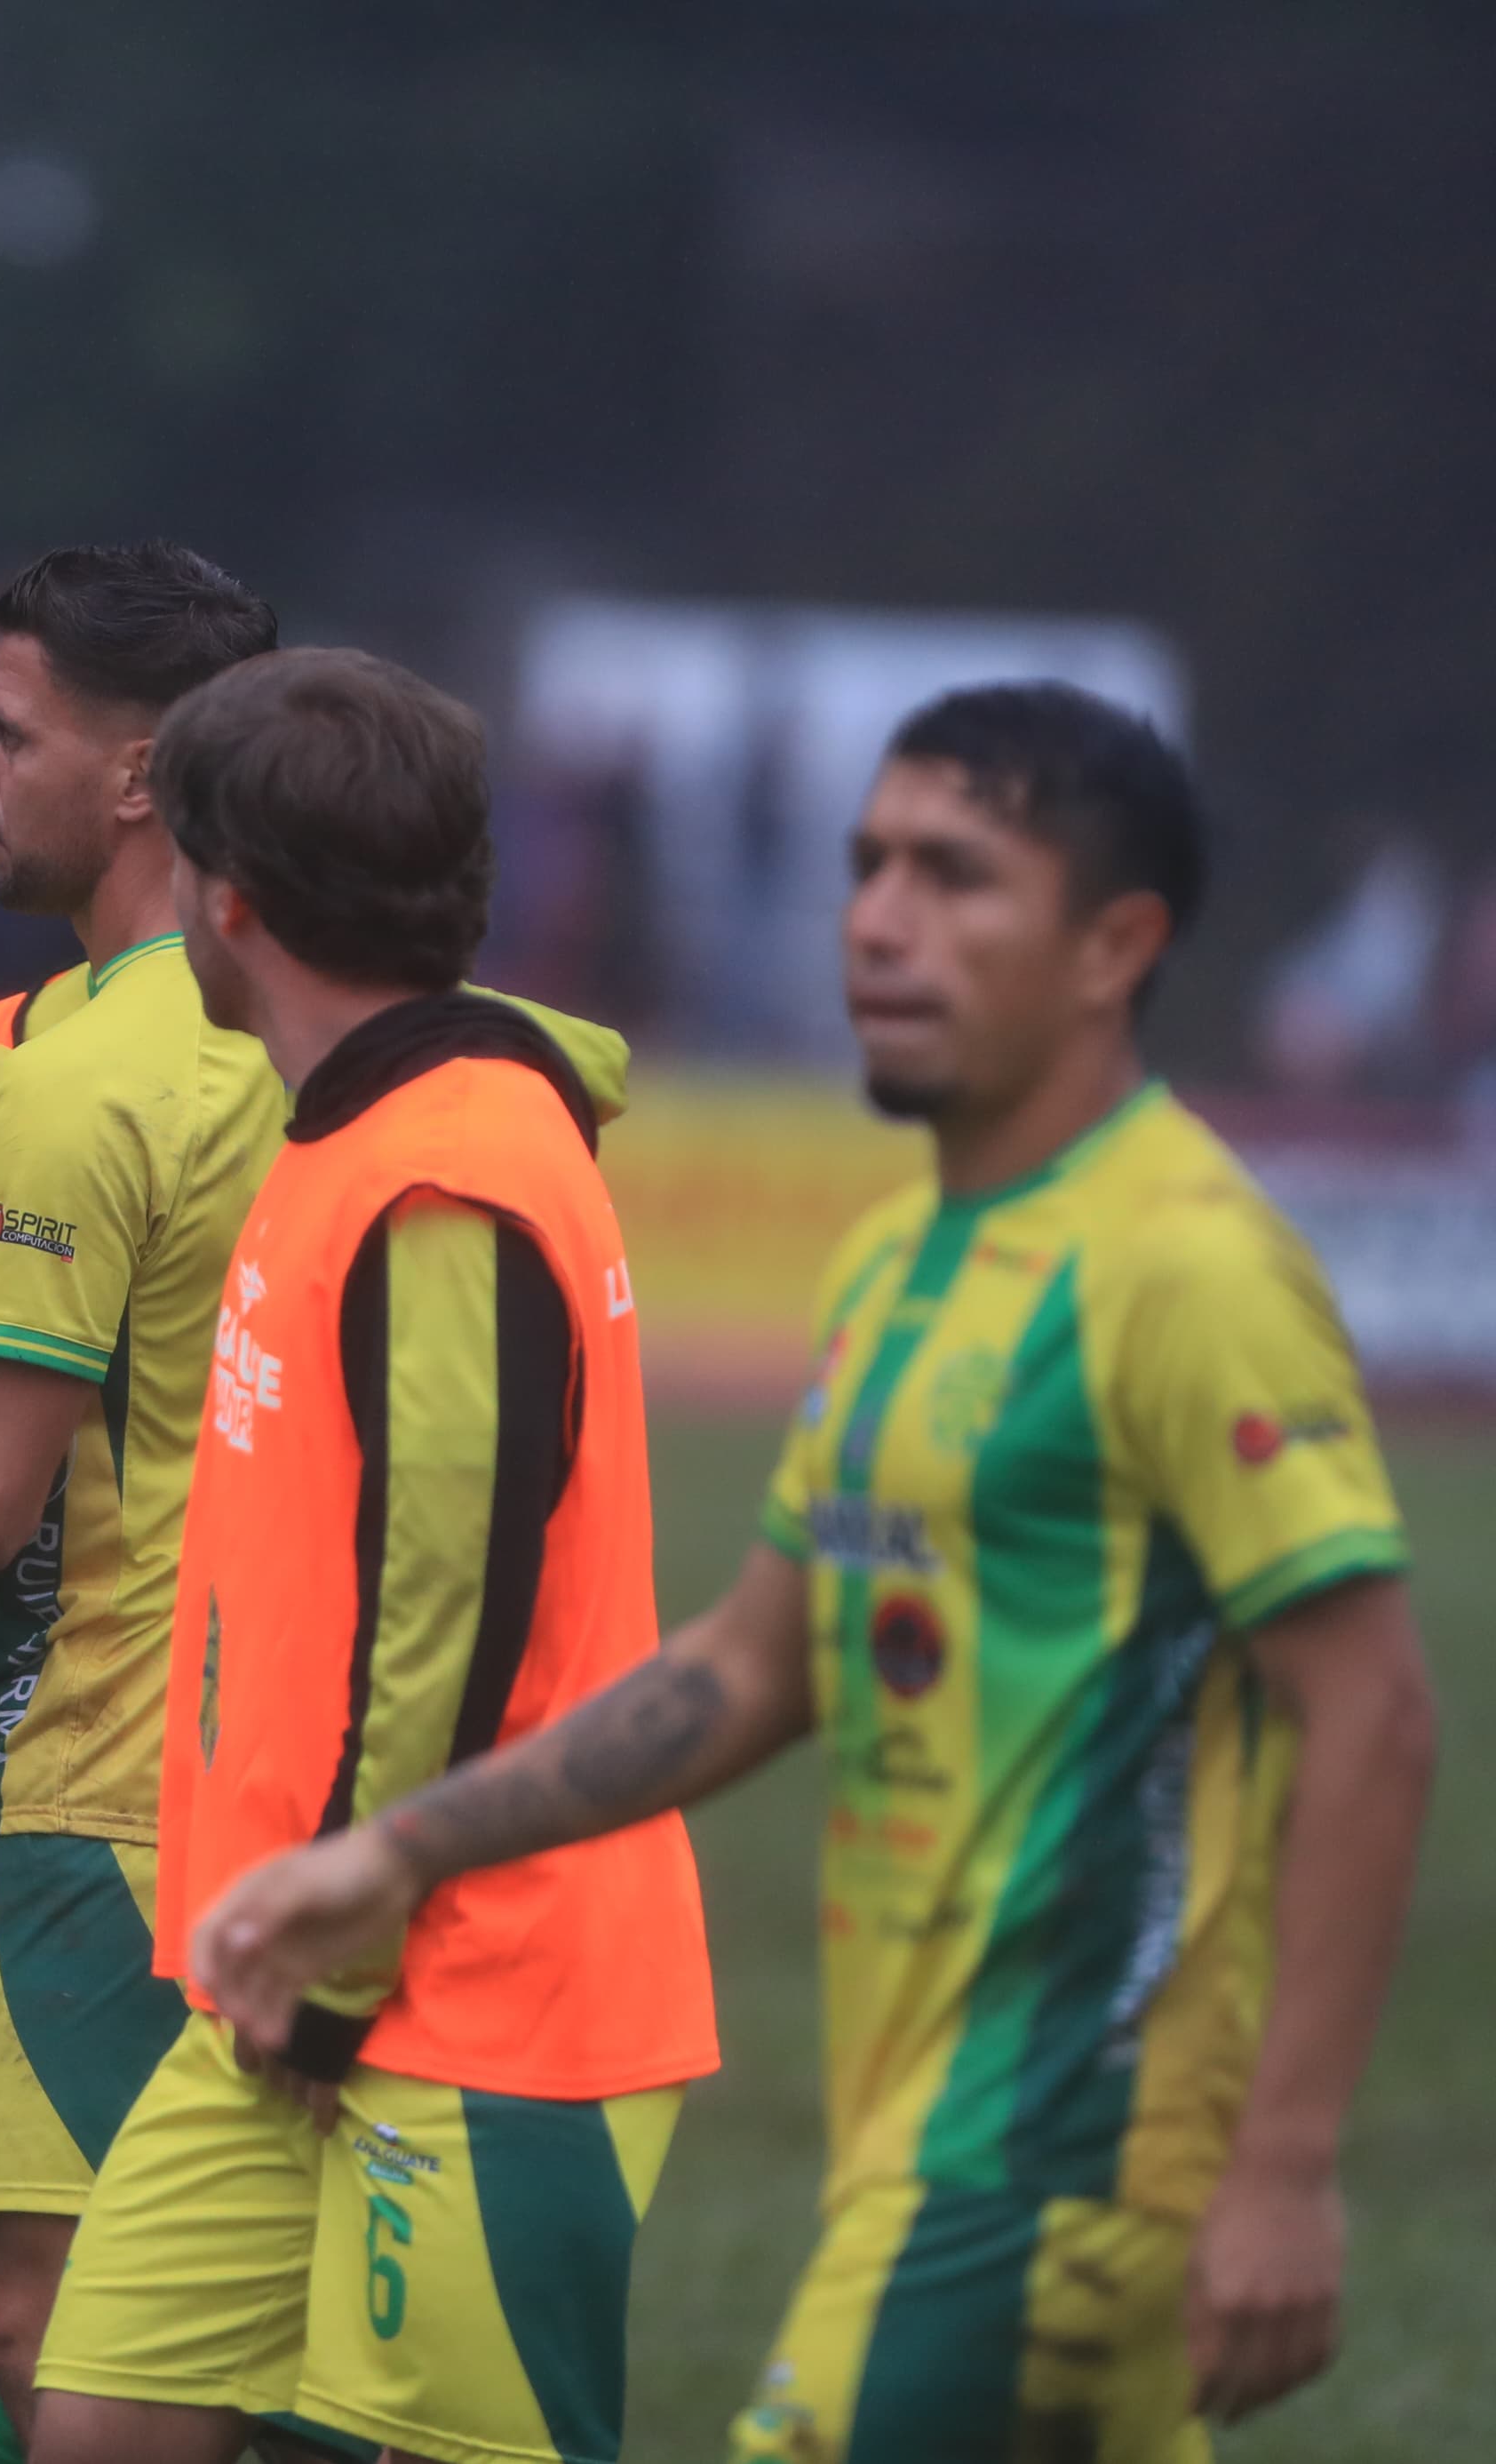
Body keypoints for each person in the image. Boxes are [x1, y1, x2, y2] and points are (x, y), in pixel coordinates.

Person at [187, 682, 1438, 2462]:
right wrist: (392, 1847)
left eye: (953, 875)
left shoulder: (1186, 1266)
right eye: (865, 866)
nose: (878, 918)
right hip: (916, 2131)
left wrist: (1285, 2169)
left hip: (1060, 2153)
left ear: (1116, 945)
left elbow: (1372, 1713)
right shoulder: (893, 1266)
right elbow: (753, 1665)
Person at [0, 549, 627, 2459]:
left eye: (7, 732)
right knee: (159, 2382)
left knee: (69, 2344)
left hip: (146, 1807)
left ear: (163, 795)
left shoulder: (166, 1101)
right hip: (280, 1833)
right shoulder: (449, 1069)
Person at [28, 649, 719, 2464]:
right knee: (95, 2432)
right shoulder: (353, 1121)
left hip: (469, 1984)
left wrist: (339, 1953)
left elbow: (448, 1616)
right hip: (290, 1965)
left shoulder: (451, 1169)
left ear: (225, 898)